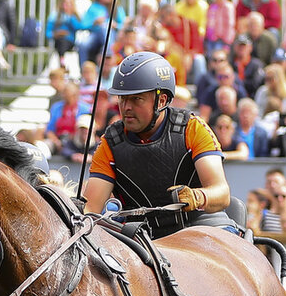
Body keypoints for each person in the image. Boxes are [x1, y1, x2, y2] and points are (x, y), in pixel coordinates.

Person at [82, 52, 234, 237]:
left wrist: (197, 197)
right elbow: (91, 209)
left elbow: (222, 193)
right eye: (122, 98)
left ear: (161, 100)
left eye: (136, 99)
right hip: (141, 236)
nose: (126, 107)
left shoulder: (192, 128)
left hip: (201, 228)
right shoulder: (110, 143)